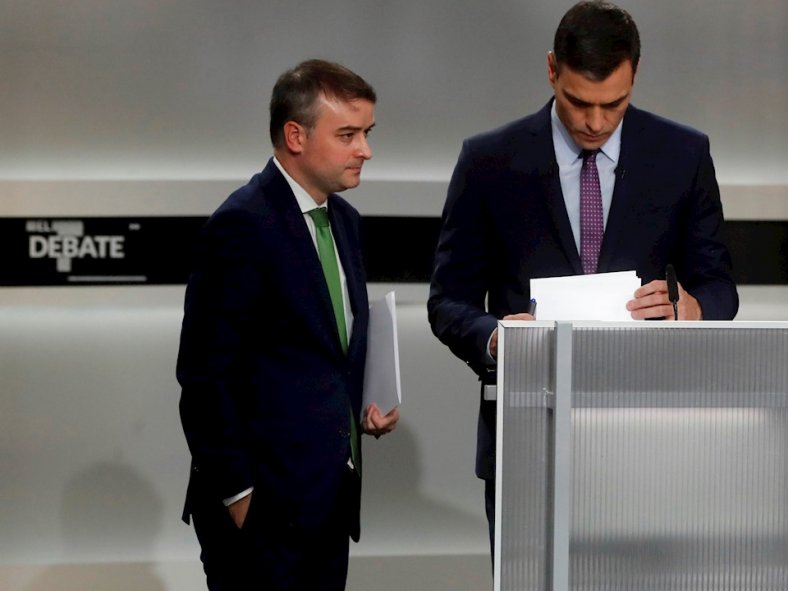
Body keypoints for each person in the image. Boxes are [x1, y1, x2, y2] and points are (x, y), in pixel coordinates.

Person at [427, 0, 738, 559]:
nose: (595, 122)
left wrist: (688, 309)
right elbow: (448, 300)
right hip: (527, 439)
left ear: (635, 77)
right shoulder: (489, 160)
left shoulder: (683, 154)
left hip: (649, 440)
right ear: (552, 70)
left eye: (613, 104)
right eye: (578, 102)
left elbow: (720, 289)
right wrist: (498, 337)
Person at [177, 59, 400, 591]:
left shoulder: (344, 221)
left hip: (329, 502)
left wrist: (360, 409)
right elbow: (204, 377)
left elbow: (322, 352)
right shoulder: (242, 225)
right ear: (295, 135)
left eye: (366, 133)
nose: (365, 150)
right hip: (263, 514)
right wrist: (239, 496)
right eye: (347, 134)